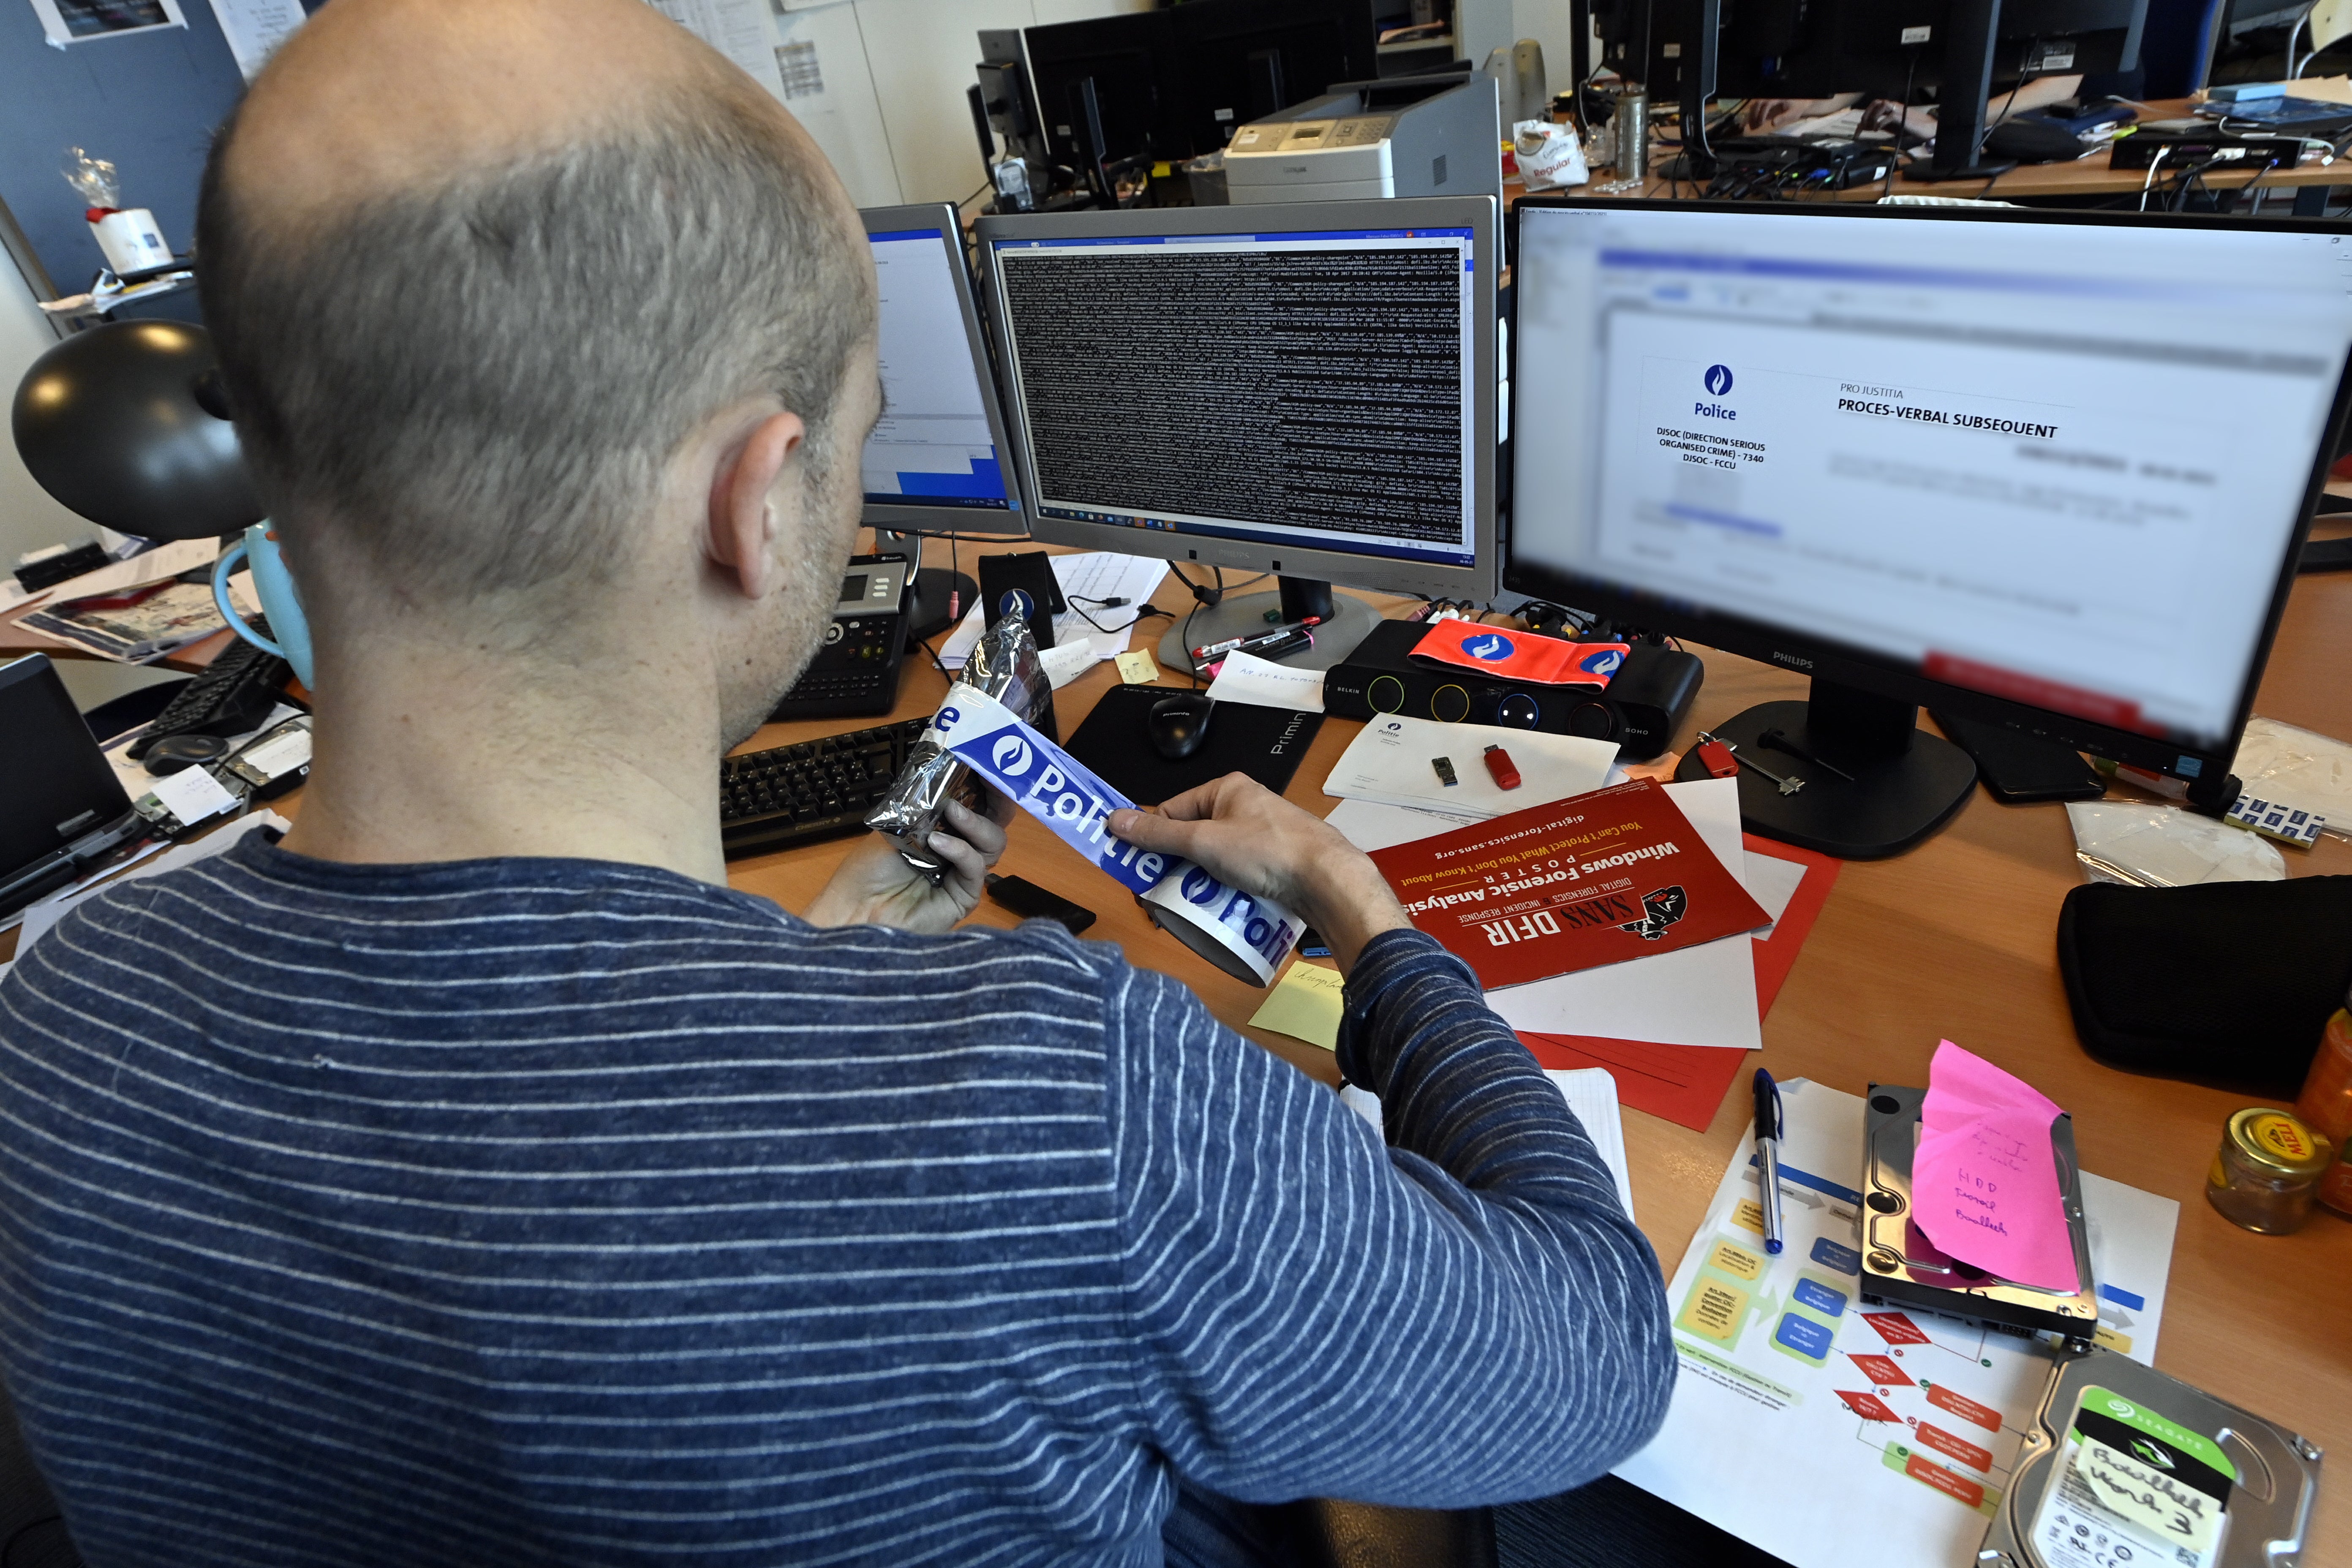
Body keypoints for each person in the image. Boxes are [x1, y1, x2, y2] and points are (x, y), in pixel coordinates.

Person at [0, 0, 1675, 1563]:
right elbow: (1598, 1357)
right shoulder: (1063, 1110)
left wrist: (837, 976)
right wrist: (1377, 926)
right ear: (757, 494)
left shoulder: (60, 1016)